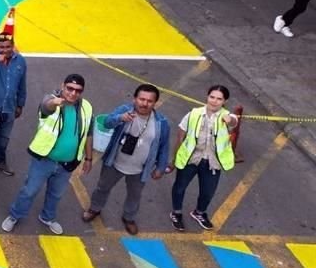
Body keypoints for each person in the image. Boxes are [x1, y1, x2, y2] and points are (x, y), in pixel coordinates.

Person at [3, 73, 93, 235]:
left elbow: (88, 133)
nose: (73, 93)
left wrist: (88, 158)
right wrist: (55, 102)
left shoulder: (87, 107)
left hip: (67, 163)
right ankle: (15, 215)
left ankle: (47, 217)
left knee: (56, 194)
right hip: (45, 160)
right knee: (29, 190)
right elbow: (46, 106)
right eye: (69, 89)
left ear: (82, 92)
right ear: (62, 86)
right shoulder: (51, 100)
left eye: (77, 91)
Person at [83, 84, 170, 235]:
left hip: (140, 169)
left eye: (149, 101)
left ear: (155, 103)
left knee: (134, 195)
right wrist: (120, 118)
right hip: (114, 163)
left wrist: (160, 168)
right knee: (102, 188)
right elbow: (107, 122)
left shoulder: (161, 123)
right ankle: (94, 209)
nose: (144, 103)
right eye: (141, 99)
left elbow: (164, 146)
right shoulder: (124, 110)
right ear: (135, 99)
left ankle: (129, 218)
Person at [169, 85, 239, 232]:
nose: (214, 101)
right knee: (179, 187)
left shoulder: (225, 116)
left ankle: (199, 212)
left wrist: (230, 119)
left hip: (212, 162)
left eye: (219, 99)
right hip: (191, 159)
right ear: (207, 97)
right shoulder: (193, 114)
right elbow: (180, 136)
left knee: (208, 192)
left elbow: (234, 121)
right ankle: (176, 213)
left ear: (225, 101)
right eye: (212, 97)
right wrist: (174, 160)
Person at [0, 32, 27, 175]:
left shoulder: (20, 61)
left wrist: (20, 104)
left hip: (9, 107)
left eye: (8, 47)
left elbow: (22, 84)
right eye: (1, 47)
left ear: (13, 46)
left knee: (3, 138)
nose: (4, 50)